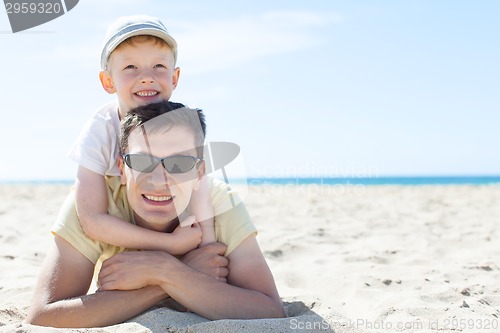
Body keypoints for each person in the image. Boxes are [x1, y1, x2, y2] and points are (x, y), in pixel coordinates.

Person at [25, 101, 285, 328]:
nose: (160, 179)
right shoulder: (97, 205)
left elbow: (269, 311)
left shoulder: (220, 202)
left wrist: (162, 270)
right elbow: (42, 316)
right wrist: (166, 280)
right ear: (121, 168)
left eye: (179, 163)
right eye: (142, 161)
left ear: (199, 173)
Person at [72, 15, 216, 255]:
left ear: (174, 77)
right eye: (130, 67)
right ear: (108, 81)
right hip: (120, 213)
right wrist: (169, 245)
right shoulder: (99, 130)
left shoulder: (180, 126)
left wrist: (208, 245)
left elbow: (201, 187)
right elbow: (92, 218)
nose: (147, 76)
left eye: (159, 66)